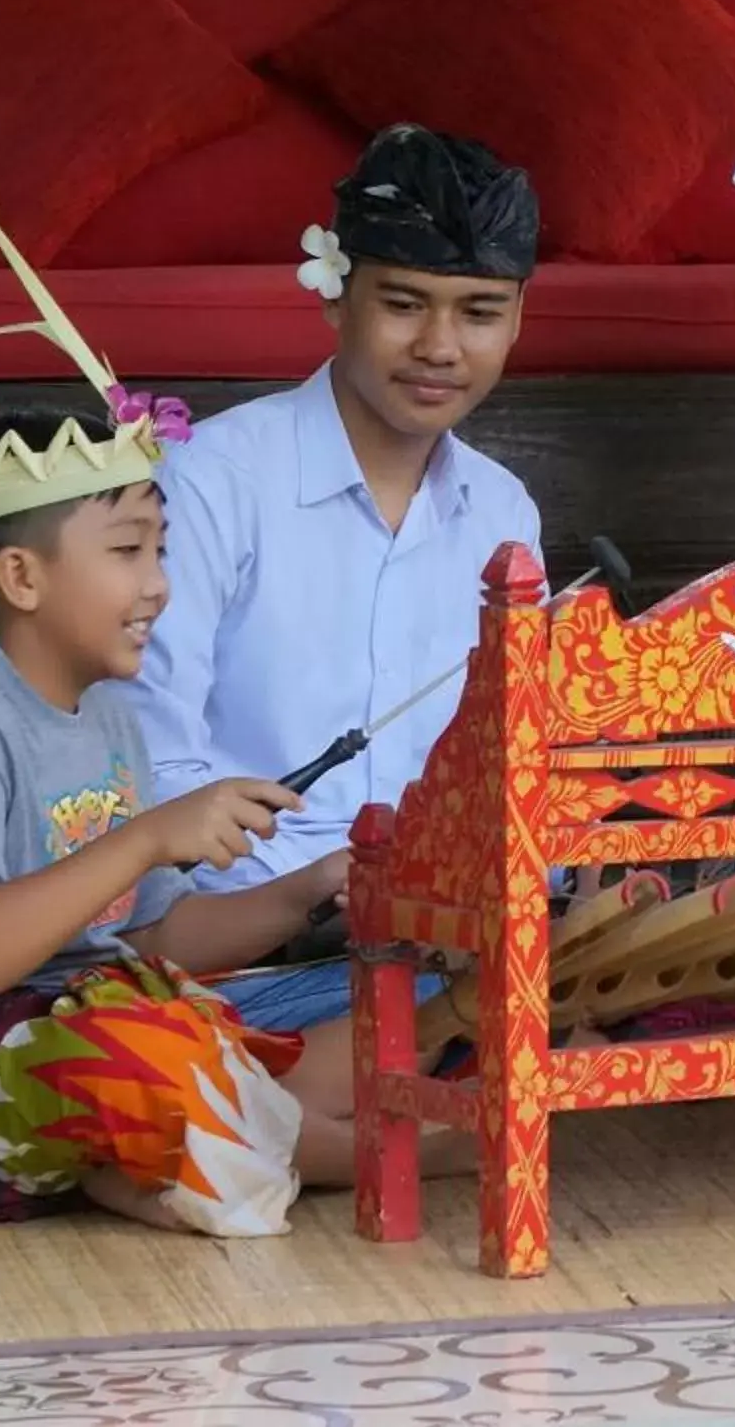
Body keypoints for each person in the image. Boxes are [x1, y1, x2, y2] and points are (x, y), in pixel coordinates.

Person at [0, 183, 426, 1239]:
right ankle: (404, 1156)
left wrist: (309, 890)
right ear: (24, 578)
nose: (159, 584)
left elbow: (160, 936)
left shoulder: (111, 716)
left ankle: (207, 1151)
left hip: (80, 1023)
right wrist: (142, 839)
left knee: (324, 1019)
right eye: (128, 552)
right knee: (152, 1059)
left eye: (160, 549)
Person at [126, 125, 540, 1033]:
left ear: (516, 319)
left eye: (479, 312)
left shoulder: (504, 512)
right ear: (334, 297)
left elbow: (505, 763)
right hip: (250, 939)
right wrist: (303, 898)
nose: (440, 345)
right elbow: (152, 761)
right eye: (403, 303)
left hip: (442, 927)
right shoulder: (214, 481)